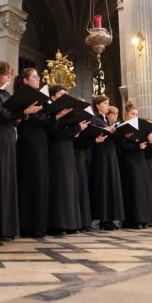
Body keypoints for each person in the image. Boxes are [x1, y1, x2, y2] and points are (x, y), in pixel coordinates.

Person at [0, 61, 40, 242]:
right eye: (6, 74)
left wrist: (22, 113)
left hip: (7, 135)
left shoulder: (5, 92)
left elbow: (12, 118)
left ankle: (7, 227)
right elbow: (2, 113)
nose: (8, 77)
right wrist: (24, 111)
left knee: (7, 180)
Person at [14, 68, 54, 238]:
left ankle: (39, 223)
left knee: (41, 181)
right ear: (24, 80)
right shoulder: (23, 96)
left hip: (40, 141)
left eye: (38, 77)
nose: (38, 79)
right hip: (29, 142)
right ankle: (28, 224)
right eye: (35, 77)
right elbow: (35, 119)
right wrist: (50, 115)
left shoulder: (40, 97)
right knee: (30, 181)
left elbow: (44, 118)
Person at [48, 84, 88, 235]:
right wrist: (76, 129)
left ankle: (71, 223)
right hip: (56, 151)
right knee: (60, 186)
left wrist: (76, 130)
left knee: (70, 186)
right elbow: (55, 133)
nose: (64, 98)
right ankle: (59, 224)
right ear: (53, 97)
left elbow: (67, 132)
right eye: (61, 95)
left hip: (68, 149)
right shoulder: (52, 111)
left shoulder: (68, 112)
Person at [89, 95, 124, 230]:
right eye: (104, 103)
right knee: (103, 185)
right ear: (97, 105)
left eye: (108, 103)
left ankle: (109, 218)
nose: (107, 105)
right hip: (100, 155)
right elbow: (92, 134)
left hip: (111, 154)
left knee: (111, 185)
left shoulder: (105, 120)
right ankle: (102, 218)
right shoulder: (95, 119)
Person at [117, 102, 148, 229]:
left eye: (136, 114)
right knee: (132, 189)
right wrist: (137, 146)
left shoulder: (140, 128)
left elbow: (144, 144)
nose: (135, 116)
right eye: (132, 114)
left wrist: (148, 141)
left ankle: (142, 218)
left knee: (141, 190)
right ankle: (132, 220)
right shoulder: (121, 127)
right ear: (126, 114)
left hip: (140, 160)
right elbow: (121, 145)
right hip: (129, 161)